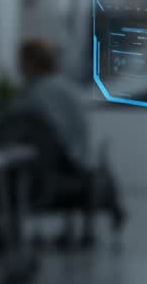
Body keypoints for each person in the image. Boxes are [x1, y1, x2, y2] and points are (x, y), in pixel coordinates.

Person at [8, 39, 125, 247]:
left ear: (30, 63)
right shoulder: (66, 87)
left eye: (21, 62)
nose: (18, 68)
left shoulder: (37, 93)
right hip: (81, 162)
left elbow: (43, 134)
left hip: (63, 165)